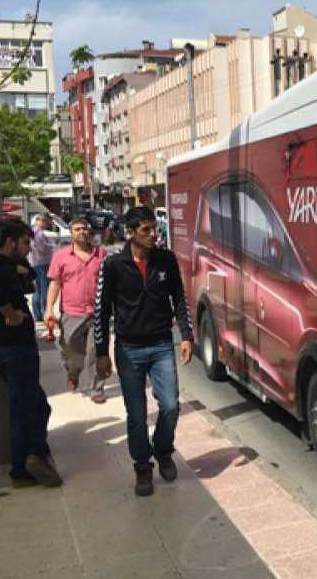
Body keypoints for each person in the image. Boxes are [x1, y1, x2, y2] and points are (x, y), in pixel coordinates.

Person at [94, 207, 194, 496]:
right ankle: (142, 466)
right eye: (146, 230)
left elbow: (179, 298)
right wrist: (101, 352)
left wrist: (186, 335)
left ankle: (163, 450)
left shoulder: (165, 259)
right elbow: (101, 309)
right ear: (130, 232)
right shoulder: (113, 265)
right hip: (129, 350)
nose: (153, 235)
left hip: (162, 345)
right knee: (136, 414)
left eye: (154, 229)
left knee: (171, 405)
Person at [0, 220, 62, 489]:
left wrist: (21, 272)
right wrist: (11, 315)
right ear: (10, 242)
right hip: (15, 349)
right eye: (24, 243)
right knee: (24, 409)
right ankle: (26, 465)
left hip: (6, 348)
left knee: (36, 405)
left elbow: (30, 278)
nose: (28, 248)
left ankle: (34, 457)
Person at [44, 217, 109, 402]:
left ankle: (97, 390)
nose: (82, 232)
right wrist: (49, 309)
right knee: (71, 351)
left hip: (97, 313)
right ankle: (73, 372)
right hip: (71, 313)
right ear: (71, 233)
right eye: (77, 229)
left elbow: (110, 282)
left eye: (84, 228)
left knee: (95, 352)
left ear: (89, 232)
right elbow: (55, 283)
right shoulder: (60, 256)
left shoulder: (101, 254)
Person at [28, 214, 55, 323]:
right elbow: (42, 248)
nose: (46, 223)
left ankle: (37, 314)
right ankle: (44, 312)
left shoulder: (32, 232)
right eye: (44, 220)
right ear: (37, 221)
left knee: (37, 289)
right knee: (44, 288)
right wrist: (52, 245)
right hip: (42, 263)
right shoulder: (38, 232)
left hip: (35, 263)